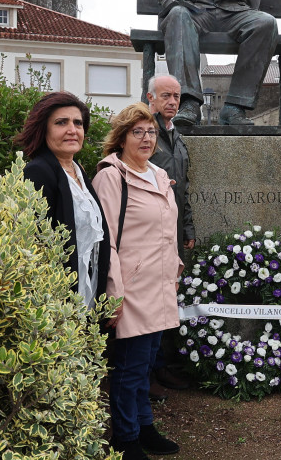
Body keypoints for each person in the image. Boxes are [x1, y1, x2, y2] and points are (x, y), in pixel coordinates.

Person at [93, 103, 182, 460]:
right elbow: (107, 240)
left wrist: (174, 268)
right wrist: (114, 293)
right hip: (130, 289)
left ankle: (144, 427)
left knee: (146, 365)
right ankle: (125, 438)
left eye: (151, 132)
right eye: (138, 132)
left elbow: (167, 230)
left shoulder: (158, 174)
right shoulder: (111, 176)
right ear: (122, 136)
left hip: (160, 285)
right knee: (129, 368)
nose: (146, 139)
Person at [17, 91, 110, 309]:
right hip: (57, 304)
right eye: (61, 123)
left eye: (78, 123)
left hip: (88, 298)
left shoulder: (78, 173)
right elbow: (36, 244)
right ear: (44, 129)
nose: (72, 130)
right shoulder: (38, 172)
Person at [145, 75, 197, 398]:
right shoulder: (145, 134)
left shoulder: (176, 136)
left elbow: (183, 187)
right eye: (166, 95)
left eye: (177, 96)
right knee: (149, 300)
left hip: (173, 231)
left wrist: (188, 227)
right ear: (150, 98)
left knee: (167, 298)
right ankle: (147, 371)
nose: (172, 101)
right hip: (150, 231)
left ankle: (161, 365)